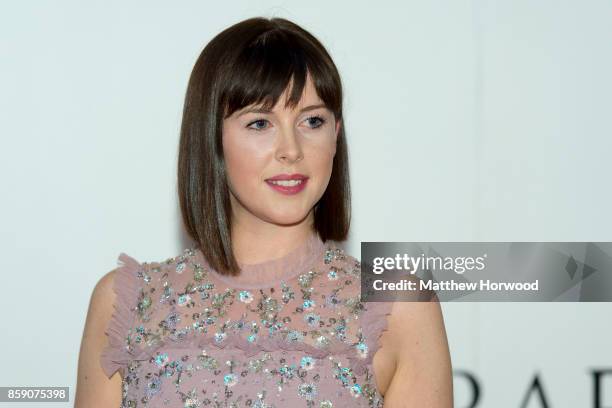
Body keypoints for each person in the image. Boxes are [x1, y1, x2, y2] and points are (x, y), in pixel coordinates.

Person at [75, 16, 452, 407]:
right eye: (259, 123)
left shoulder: (398, 307)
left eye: (312, 121)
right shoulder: (128, 302)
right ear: (211, 139)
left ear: (336, 135)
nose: (291, 149)